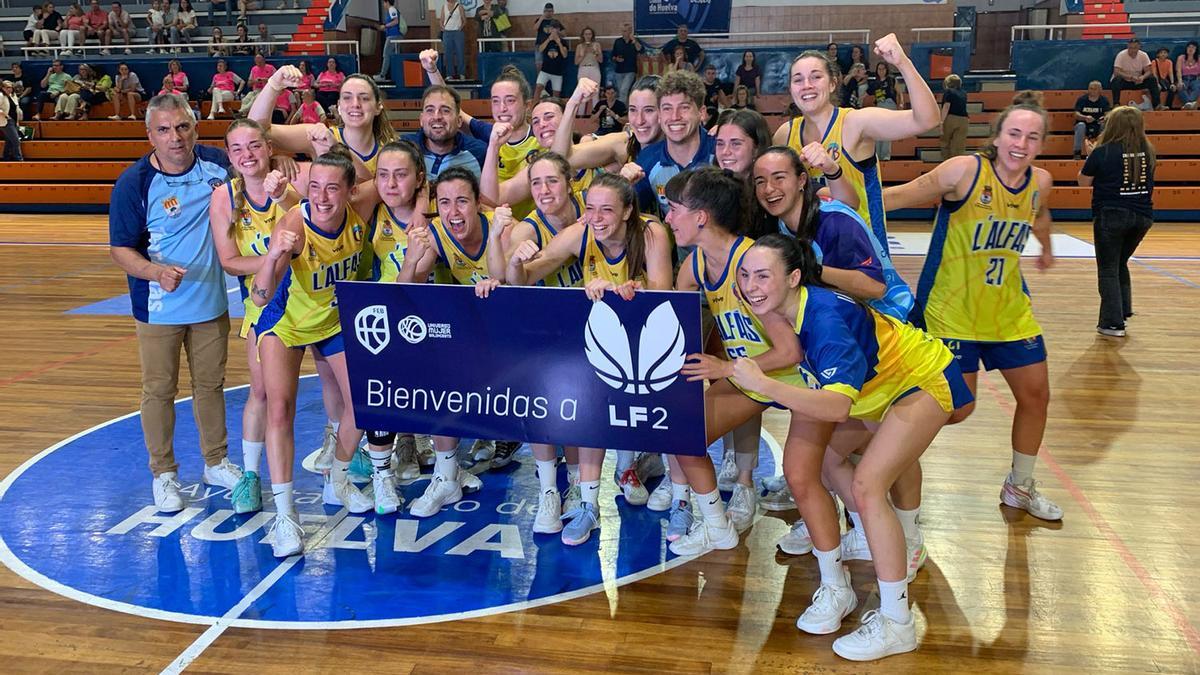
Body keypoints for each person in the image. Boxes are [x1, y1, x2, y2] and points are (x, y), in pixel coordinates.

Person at [733, 233, 971, 661]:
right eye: (746, 274)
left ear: (793, 278)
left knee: (867, 485)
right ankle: (868, 550)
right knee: (824, 462)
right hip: (882, 389)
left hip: (920, 380)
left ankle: (898, 622)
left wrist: (764, 384)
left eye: (763, 276)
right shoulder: (784, 308)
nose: (751, 285)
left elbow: (838, 406)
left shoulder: (822, 318)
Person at [883, 94, 1063, 524]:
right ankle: (879, 450)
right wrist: (837, 202)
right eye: (1014, 133)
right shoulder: (964, 171)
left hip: (1008, 312)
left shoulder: (1040, 181)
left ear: (1040, 144)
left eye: (1032, 136)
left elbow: (1040, 216)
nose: (1021, 143)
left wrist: (1046, 248)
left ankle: (1020, 486)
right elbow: (901, 196)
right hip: (951, 313)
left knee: (1036, 396)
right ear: (997, 136)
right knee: (957, 408)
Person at [504, 172, 675, 544]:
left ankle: (671, 491)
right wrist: (517, 261)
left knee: (658, 415)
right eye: (591, 208)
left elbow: (664, 293)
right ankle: (588, 505)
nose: (595, 217)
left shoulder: (651, 233)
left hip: (648, 340)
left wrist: (625, 288)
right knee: (590, 407)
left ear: (629, 210)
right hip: (605, 342)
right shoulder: (581, 233)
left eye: (607, 210)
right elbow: (522, 279)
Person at [108, 93, 244, 514]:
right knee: (159, 390)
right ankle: (164, 474)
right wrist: (155, 272)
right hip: (158, 308)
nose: (175, 137)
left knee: (210, 386)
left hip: (210, 304)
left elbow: (256, 162)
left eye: (182, 126)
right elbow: (120, 249)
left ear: (195, 127)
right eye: (164, 130)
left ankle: (216, 461)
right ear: (150, 135)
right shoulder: (134, 183)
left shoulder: (218, 166)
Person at [252, 147, 376, 557]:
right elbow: (261, 293)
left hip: (331, 321)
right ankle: (285, 515)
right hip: (285, 323)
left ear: (350, 191)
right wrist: (273, 256)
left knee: (363, 404)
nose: (322, 198)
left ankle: (337, 479)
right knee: (279, 409)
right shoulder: (295, 226)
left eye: (332, 189)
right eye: (314, 188)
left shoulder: (360, 212)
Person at [394, 168, 509, 513]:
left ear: (478, 204)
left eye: (462, 201)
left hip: (511, 335)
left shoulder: (503, 228)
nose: (453, 212)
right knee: (438, 370)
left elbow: (508, 284)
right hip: (470, 336)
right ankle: (446, 475)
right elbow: (403, 293)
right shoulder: (436, 235)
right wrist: (413, 257)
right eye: (444, 203)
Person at [208, 119, 303, 516]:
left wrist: (284, 196)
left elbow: (309, 223)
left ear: (268, 147)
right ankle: (249, 475)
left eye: (254, 146)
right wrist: (272, 261)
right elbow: (229, 262)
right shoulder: (225, 197)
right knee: (261, 391)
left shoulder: (288, 183)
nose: (247, 155)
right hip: (264, 303)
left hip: (310, 298)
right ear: (229, 156)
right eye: (237, 149)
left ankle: (344, 457)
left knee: (334, 384)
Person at [775, 34, 940, 255]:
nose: (806, 85)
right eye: (798, 79)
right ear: (791, 88)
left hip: (860, 254)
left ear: (833, 83)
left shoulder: (855, 123)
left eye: (816, 77)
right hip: (807, 253)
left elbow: (927, 119)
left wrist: (903, 62)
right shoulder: (785, 134)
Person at [1078, 106, 1155, 337]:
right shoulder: (1148, 151)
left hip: (1111, 214)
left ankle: (1112, 323)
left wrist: (1091, 155)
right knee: (1120, 263)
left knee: (1108, 269)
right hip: (1142, 216)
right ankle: (1123, 310)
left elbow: (1083, 182)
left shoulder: (1103, 152)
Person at [634, 70, 715, 220]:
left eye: (684, 107)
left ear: (701, 113)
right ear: (659, 115)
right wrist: (623, 184)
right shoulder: (648, 160)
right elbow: (628, 211)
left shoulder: (721, 150)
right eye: (667, 108)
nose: (674, 117)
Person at [403, 85, 487, 179]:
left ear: (459, 121)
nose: (437, 117)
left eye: (445, 110)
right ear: (421, 120)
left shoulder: (480, 152)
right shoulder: (403, 148)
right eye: (430, 110)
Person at [1110, 38, 1157, 109]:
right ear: (1127, 47)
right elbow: (1116, 71)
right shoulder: (1121, 55)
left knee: (1152, 79)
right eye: (1130, 48)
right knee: (1116, 80)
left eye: (1135, 48)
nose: (1132, 50)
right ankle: (1116, 104)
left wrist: (1143, 77)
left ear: (1139, 47)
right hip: (1125, 81)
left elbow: (1149, 71)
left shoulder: (1143, 55)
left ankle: (1157, 104)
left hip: (1138, 82)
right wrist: (1130, 77)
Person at [1072, 80, 1110, 160]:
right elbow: (1076, 114)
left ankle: (1102, 152)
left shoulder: (1104, 101)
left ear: (1100, 90)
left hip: (1098, 123)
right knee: (1080, 126)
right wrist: (1085, 117)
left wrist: (1104, 118)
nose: (1092, 90)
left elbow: (1108, 114)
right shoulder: (1082, 99)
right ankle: (1077, 152)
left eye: (1094, 89)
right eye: (1090, 88)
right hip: (1084, 123)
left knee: (1105, 125)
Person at [573, 27, 604, 114]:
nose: (588, 36)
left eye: (589, 34)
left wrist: (594, 52)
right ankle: (580, 115)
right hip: (583, 69)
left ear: (592, 35)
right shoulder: (579, 46)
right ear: (583, 35)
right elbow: (576, 62)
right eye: (586, 34)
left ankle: (596, 114)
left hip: (594, 68)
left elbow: (601, 60)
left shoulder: (596, 45)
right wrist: (584, 53)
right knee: (582, 93)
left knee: (595, 92)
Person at [611, 23, 643, 103]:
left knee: (624, 90)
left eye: (625, 31)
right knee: (620, 91)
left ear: (630, 31)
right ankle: (624, 109)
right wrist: (616, 59)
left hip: (630, 70)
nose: (623, 33)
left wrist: (634, 41)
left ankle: (621, 111)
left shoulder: (635, 41)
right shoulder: (618, 41)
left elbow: (640, 50)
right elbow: (613, 55)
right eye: (622, 31)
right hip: (619, 70)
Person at [940, 73, 969, 160]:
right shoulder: (964, 93)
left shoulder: (949, 92)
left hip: (951, 118)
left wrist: (941, 121)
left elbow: (946, 106)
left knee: (945, 142)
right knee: (959, 145)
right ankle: (957, 162)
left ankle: (946, 162)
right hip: (964, 120)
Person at [375, 0, 405, 82]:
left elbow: (395, 21)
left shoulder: (392, 9)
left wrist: (385, 26)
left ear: (387, 2)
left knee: (386, 54)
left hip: (393, 37)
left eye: (384, 3)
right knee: (395, 55)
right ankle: (398, 76)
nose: (383, 5)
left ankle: (382, 75)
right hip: (394, 36)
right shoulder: (391, 10)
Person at [536, 24, 568, 99]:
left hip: (557, 72)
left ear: (558, 30)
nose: (554, 31)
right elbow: (540, 49)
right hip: (545, 70)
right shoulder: (545, 39)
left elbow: (564, 55)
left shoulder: (563, 42)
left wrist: (559, 42)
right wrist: (549, 40)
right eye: (552, 29)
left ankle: (555, 109)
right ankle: (533, 108)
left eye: (556, 29)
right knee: (538, 90)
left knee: (556, 96)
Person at [241, 53, 277, 117]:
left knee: (256, 98)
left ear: (263, 60)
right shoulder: (253, 69)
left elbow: (277, 80)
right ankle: (243, 114)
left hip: (266, 90)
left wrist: (267, 80)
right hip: (255, 90)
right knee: (246, 99)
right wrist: (255, 81)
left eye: (259, 59)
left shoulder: (271, 68)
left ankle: (241, 112)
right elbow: (249, 84)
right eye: (256, 59)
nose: (258, 61)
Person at [440, 0, 467, 81]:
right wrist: (442, 27)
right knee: (448, 54)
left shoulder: (459, 6)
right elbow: (441, 20)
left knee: (460, 53)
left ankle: (461, 74)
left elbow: (464, 20)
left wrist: (460, 28)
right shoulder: (444, 6)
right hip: (447, 33)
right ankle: (449, 74)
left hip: (457, 33)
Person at [532, 2, 563, 71]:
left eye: (550, 11)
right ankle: (540, 80)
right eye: (547, 11)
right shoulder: (539, 20)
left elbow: (564, 33)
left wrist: (557, 31)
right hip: (539, 45)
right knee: (539, 65)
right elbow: (534, 29)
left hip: (551, 46)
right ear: (544, 11)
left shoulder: (556, 21)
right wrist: (541, 19)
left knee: (552, 65)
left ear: (553, 12)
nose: (548, 13)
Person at [0, 81, 24, 162]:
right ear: (2, 88)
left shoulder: (13, 96)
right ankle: (19, 158)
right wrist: (5, 115)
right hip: (5, 121)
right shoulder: (1, 95)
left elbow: (16, 109)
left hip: (13, 121)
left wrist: (17, 121)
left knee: (9, 141)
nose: (9, 89)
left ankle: (6, 157)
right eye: (6, 87)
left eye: (10, 87)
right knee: (16, 140)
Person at [1176, 41, 1200, 109]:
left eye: (1193, 47)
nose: (1191, 49)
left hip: (1195, 79)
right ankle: (1190, 103)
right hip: (1184, 78)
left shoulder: (1199, 58)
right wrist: (1180, 81)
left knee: (1197, 87)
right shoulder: (1181, 57)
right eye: (1189, 47)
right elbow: (1178, 70)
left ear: (1196, 50)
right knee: (1180, 87)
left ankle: (1188, 103)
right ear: (1186, 48)